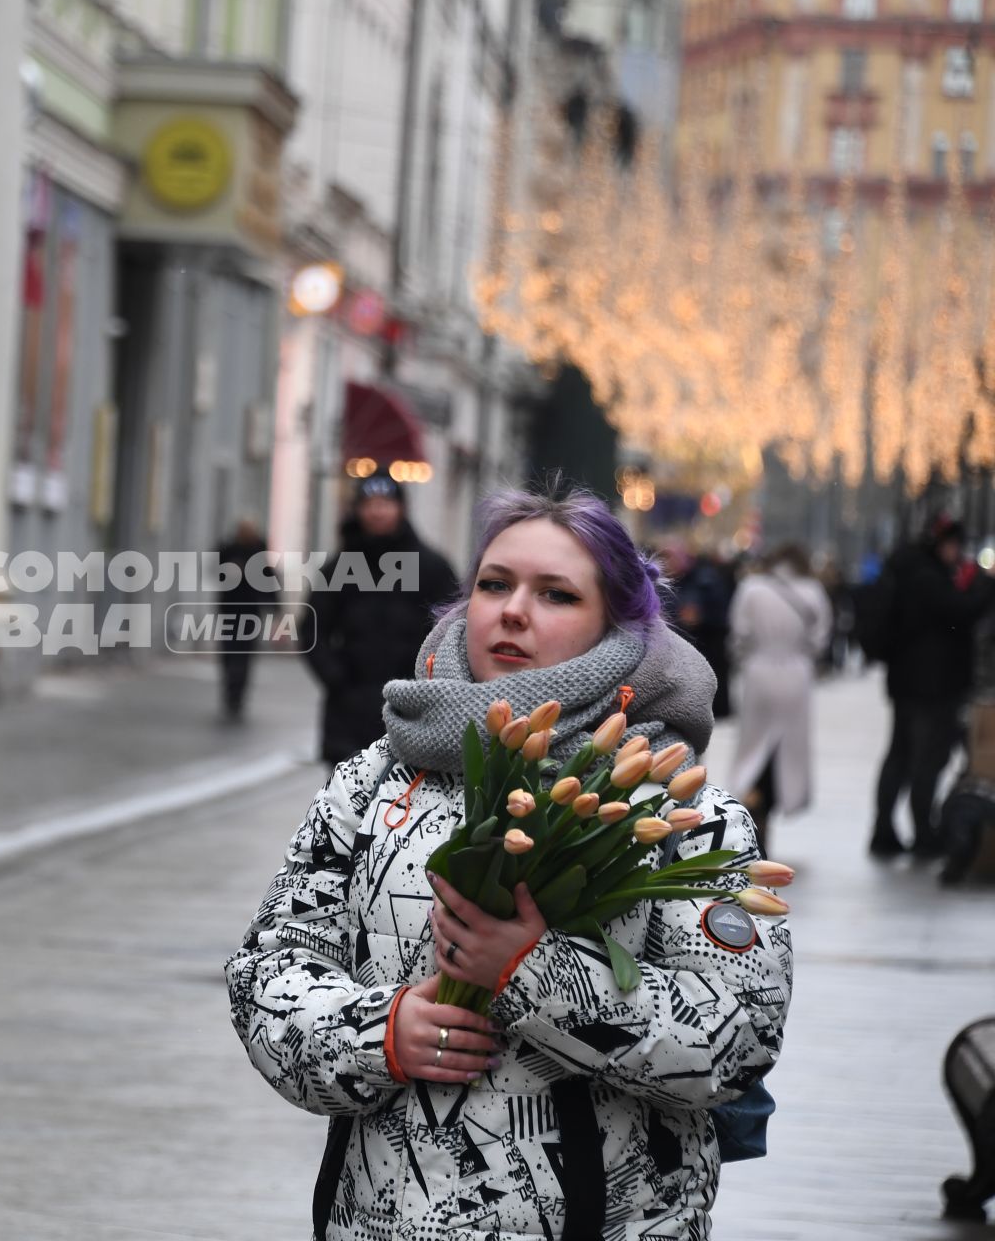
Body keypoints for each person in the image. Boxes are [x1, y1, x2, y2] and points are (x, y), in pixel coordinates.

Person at [227, 484, 790, 1241]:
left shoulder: (676, 809)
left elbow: (741, 1033)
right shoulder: (376, 779)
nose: (513, 610)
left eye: (556, 594)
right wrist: (382, 1032)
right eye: (494, 584)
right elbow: (268, 970)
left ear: (616, 627)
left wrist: (529, 970)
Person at [301, 474, 457, 769]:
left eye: (386, 503)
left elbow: (453, 628)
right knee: (345, 806)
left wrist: (430, 685)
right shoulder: (339, 568)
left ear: (401, 508)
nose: (377, 511)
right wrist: (336, 678)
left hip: (411, 711)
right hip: (349, 712)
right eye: (369, 504)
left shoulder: (432, 567)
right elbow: (312, 629)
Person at [871, 513, 995, 857]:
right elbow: (959, 611)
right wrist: (986, 586)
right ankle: (923, 834)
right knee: (927, 759)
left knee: (900, 756)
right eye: (954, 545)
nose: (958, 553)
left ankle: (884, 831)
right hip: (932, 686)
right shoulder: (927, 575)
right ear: (941, 544)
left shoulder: (907, 568)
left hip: (908, 682)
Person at [727, 543, 832, 851]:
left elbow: (739, 632)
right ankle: (776, 799)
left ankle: (752, 799)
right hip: (796, 673)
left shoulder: (751, 588)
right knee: (787, 746)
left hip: (758, 670)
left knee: (753, 744)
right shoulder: (813, 591)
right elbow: (820, 638)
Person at [670, 541, 736, 719]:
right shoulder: (675, 581)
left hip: (708, 641)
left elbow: (720, 611)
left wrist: (701, 616)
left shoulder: (705, 579)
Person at [216, 518, 271, 722]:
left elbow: (269, 581)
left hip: (250, 614)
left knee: (244, 656)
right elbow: (216, 571)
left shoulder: (259, 552)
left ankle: (238, 695)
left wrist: (276, 610)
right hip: (230, 611)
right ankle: (230, 692)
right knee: (230, 654)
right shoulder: (228, 549)